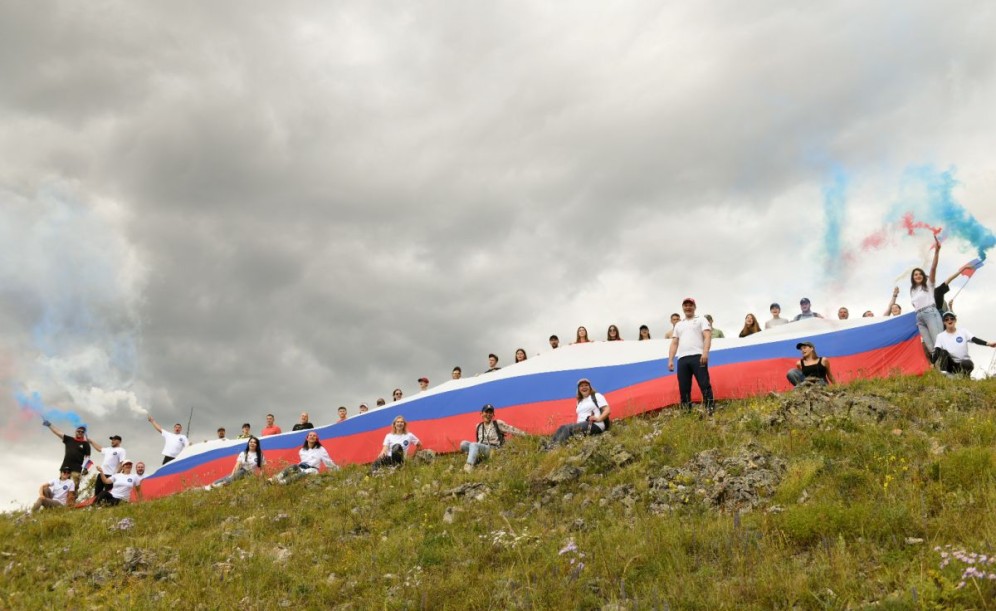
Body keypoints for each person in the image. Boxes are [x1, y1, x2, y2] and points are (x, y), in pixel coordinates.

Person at [668, 297, 715, 415]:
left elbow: (707, 336)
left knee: (704, 383)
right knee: (684, 386)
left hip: (698, 356)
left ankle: (709, 408)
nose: (688, 307)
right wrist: (670, 360)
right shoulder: (679, 324)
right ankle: (686, 411)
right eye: (685, 305)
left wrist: (705, 352)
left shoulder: (701, 319)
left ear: (694, 307)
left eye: (690, 305)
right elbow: (674, 342)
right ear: (683, 308)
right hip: (682, 358)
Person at [459, 404, 527, 472]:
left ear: (493, 415)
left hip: (493, 449)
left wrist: (525, 435)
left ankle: (469, 466)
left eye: (490, 412)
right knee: (463, 443)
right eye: (486, 412)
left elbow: (511, 429)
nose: (488, 414)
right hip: (482, 448)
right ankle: (476, 457)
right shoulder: (478, 426)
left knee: (474, 444)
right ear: (481, 414)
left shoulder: (497, 423)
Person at [548, 379, 611, 445]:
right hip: (582, 424)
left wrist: (599, 419)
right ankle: (550, 446)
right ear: (578, 389)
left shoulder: (596, 396)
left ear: (590, 387)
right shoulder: (579, 401)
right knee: (562, 427)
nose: (584, 387)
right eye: (581, 386)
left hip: (595, 425)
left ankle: (556, 448)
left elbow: (607, 410)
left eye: (586, 385)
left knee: (568, 429)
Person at [933, 311, 996, 376]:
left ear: (955, 320)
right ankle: (945, 375)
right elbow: (937, 350)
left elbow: (975, 339)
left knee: (967, 363)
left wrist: (989, 344)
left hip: (964, 363)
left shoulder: (963, 331)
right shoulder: (940, 336)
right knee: (943, 352)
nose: (949, 320)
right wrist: (932, 363)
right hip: (951, 364)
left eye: (951, 318)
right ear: (944, 322)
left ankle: (965, 377)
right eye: (946, 319)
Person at [910, 234, 944, 357]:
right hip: (919, 318)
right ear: (913, 278)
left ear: (923, 276)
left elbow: (933, 268)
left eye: (920, 274)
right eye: (915, 274)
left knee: (938, 342)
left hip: (930, 313)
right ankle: (940, 371)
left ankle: (953, 370)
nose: (918, 276)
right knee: (931, 348)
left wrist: (937, 252)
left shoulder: (929, 284)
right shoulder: (913, 290)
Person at [271, 431, 338, 484]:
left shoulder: (321, 449)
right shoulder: (302, 450)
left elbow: (328, 461)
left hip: (312, 469)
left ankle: (283, 482)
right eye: (310, 435)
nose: (312, 437)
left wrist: (337, 471)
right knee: (293, 466)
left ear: (316, 439)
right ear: (307, 438)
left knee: (302, 474)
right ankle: (276, 478)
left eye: (314, 436)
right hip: (301, 467)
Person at [42, 421, 91, 489]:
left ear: (84, 433)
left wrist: (86, 468)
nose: (80, 433)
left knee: (73, 488)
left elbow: (88, 457)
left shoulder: (86, 444)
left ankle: (72, 499)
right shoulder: (69, 439)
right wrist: (49, 425)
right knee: (61, 487)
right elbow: (59, 433)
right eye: (79, 431)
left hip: (76, 469)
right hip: (65, 467)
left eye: (82, 432)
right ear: (76, 431)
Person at [88, 434, 127, 498]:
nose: (112, 441)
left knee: (108, 493)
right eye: (112, 440)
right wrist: (91, 442)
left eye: (114, 440)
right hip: (102, 474)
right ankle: (96, 506)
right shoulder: (108, 449)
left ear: (119, 441)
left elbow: (122, 463)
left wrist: (116, 474)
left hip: (111, 475)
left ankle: (108, 506)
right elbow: (99, 448)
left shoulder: (121, 450)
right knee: (97, 493)